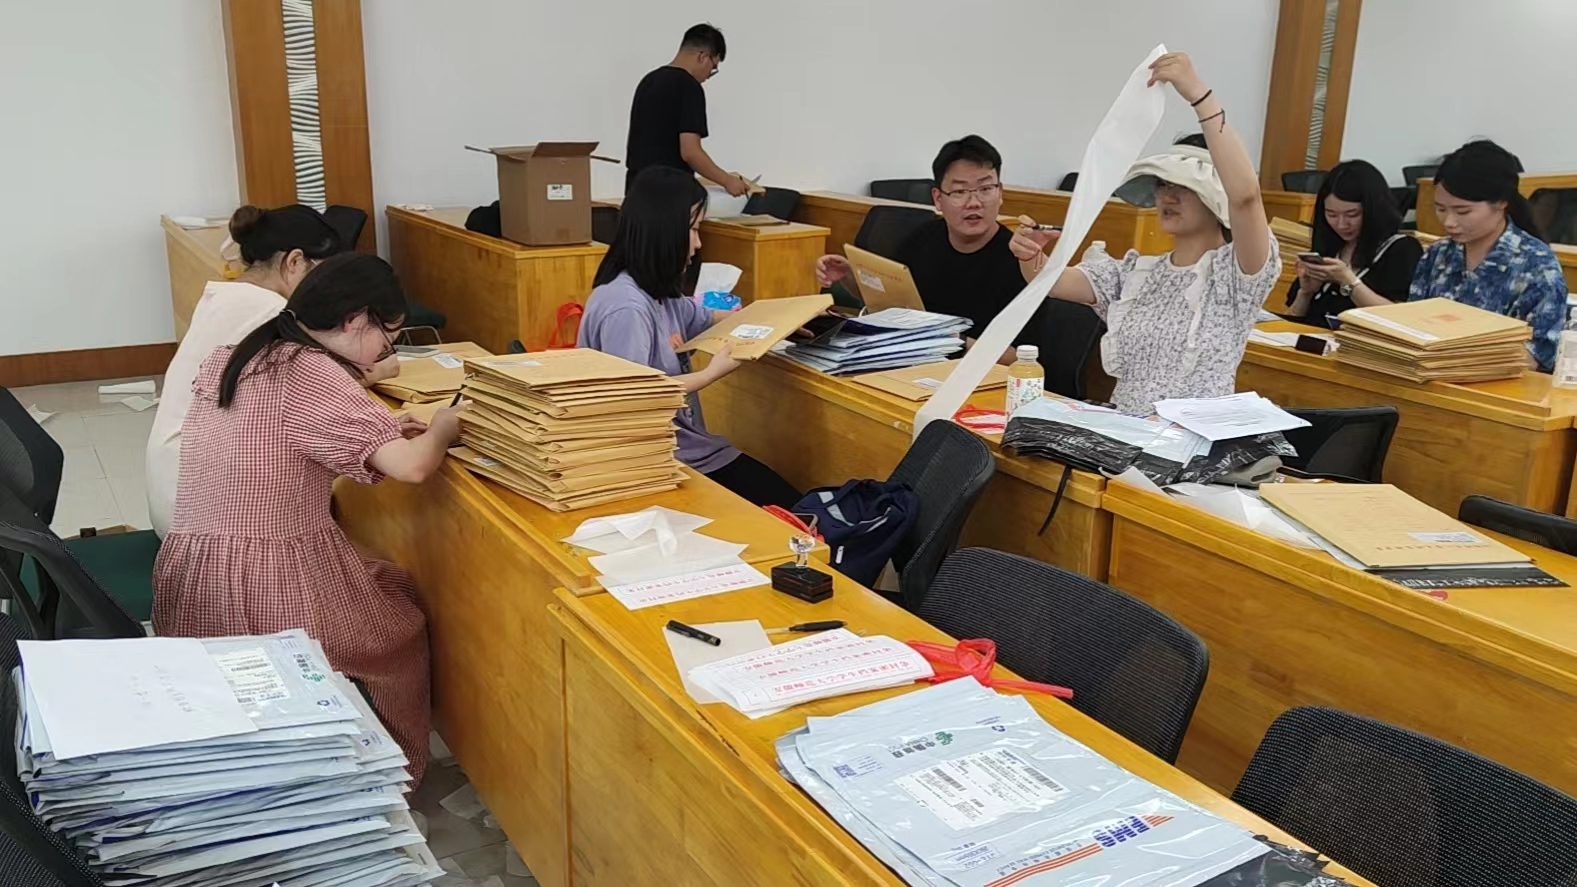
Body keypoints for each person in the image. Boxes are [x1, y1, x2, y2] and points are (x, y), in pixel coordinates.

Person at [153, 253, 461, 786]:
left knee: (378, 582)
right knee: (397, 631)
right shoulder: (315, 373)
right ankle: (382, 782)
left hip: (192, 574)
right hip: (267, 584)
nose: (384, 353)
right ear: (355, 320)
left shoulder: (237, 354)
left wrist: (383, 426)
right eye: (387, 339)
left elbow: (278, 433)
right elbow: (413, 469)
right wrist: (443, 427)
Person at [1027, 51, 1280, 415]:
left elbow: (1245, 197)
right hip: (1125, 433)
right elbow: (1049, 280)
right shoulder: (1137, 273)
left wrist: (1199, 95)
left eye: (1184, 186)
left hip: (1190, 438)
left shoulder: (1235, 276)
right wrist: (1029, 254)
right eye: (1162, 184)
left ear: (1216, 194)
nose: (1167, 196)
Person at [579, 166, 801, 509]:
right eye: (694, 230)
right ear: (663, 231)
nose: (698, 244)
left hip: (687, 449)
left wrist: (784, 321)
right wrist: (712, 373)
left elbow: (708, 316)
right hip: (658, 463)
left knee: (795, 505)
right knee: (792, 511)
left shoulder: (657, 295)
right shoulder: (626, 307)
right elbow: (636, 397)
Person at [146, 205, 349, 537]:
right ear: (294, 262)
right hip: (204, 514)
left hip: (175, 491)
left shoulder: (227, 296)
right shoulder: (270, 311)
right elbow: (322, 391)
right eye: (321, 277)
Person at [814, 135, 1030, 362]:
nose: (974, 202)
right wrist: (848, 275)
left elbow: (1021, 356)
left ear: (1000, 193)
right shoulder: (922, 238)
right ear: (938, 199)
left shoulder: (1020, 261)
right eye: (959, 192)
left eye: (985, 189)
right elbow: (890, 302)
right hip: (916, 362)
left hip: (977, 372)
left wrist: (947, 338)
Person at [1409, 139, 1567, 371]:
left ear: (1501, 202)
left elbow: (1536, 355)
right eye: (1441, 209)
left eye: (1463, 211)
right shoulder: (1438, 254)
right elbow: (1410, 324)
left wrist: (1450, 362)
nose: (1449, 222)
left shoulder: (1537, 266)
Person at [1285, 159, 1423, 324]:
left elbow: (1398, 319)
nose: (1341, 224)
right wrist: (1306, 293)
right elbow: (1291, 319)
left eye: (1352, 214)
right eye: (1331, 214)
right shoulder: (1329, 247)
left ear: (1373, 210)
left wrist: (1348, 282)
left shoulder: (1402, 249)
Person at [625, 23, 749, 197]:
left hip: (636, 191)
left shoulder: (648, 81)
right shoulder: (689, 87)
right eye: (713, 67)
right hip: (668, 194)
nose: (709, 75)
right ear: (702, 57)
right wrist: (727, 181)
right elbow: (690, 152)